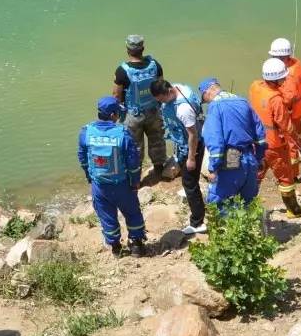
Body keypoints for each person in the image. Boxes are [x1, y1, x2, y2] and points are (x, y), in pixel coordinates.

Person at [77, 96, 146, 257]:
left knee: (106, 216)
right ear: (113, 115)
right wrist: (135, 181)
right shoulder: (123, 133)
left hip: (99, 186)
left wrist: (89, 177)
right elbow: (133, 162)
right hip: (122, 185)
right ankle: (137, 246)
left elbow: (82, 158)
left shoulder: (86, 132)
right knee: (132, 212)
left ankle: (116, 248)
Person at [248, 59, 301, 217]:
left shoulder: (255, 87)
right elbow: (286, 126)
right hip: (275, 146)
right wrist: (297, 141)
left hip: (257, 143)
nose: (284, 80)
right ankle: (294, 210)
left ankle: (247, 207)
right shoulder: (275, 100)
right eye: (282, 78)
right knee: (285, 178)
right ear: (276, 80)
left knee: (257, 175)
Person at [198, 78, 265, 210]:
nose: (207, 102)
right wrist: (259, 157)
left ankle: (225, 230)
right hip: (249, 156)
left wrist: (213, 168)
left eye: (205, 99)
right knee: (248, 202)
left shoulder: (215, 106)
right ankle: (249, 229)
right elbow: (260, 134)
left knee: (220, 202)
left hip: (231, 157)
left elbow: (215, 141)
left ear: (208, 92)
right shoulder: (243, 101)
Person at [152, 79, 205, 234]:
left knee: (190, 183)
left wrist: (191, 158)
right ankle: (197, 208)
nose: (161, 103)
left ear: (168, 92)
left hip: (192, 147)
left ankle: (198, 222)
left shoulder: (183, 109)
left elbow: (193, 135)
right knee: (189, 180)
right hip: (183, 144)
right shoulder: (180, 86)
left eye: (161, 100)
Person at [112, 34, 168, 182]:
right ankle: (159, 171)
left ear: (127, 50)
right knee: (157, 141)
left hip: (133, 115)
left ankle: (135, 179)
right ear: (143, 48)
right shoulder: (155, 65)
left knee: (134, 148)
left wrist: (116, 115)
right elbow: (162, 87)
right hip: (154, 111)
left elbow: (116, 96)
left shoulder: (122, 71)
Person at [269, 37, 301, 172]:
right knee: (299, 128)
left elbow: (288, 98)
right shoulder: (296, 63)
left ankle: (293, 172)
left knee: (290, 140)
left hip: (292, 110)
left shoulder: (289, 75)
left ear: (282, 57)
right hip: (300, 107)